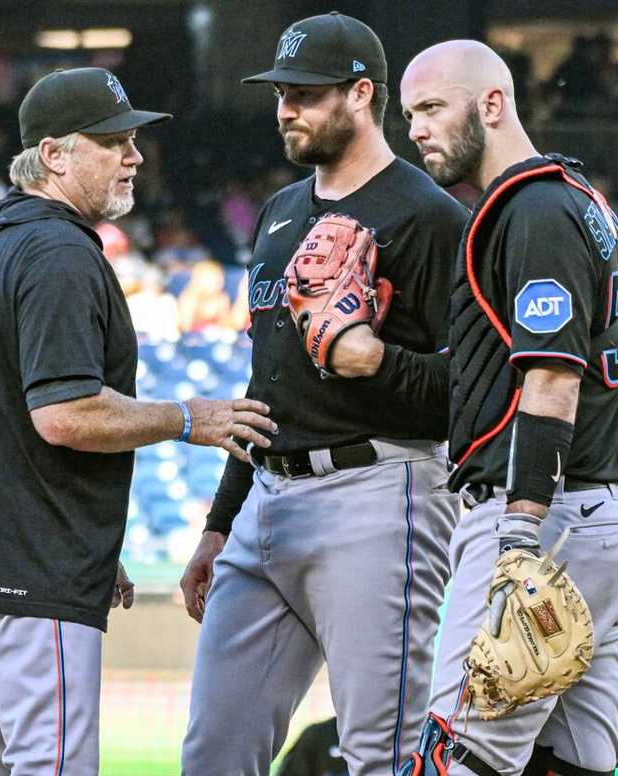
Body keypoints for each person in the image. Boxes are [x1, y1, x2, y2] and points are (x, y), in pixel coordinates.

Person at [0, 68, 275, 776]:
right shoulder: (57, 251)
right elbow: (64, 416)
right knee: (52, 766)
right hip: (24, 570)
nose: (134, 156)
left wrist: (86, 539)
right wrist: (189, 418)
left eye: (132, 141)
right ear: (55, 155)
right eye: (113, 141)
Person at [179, 13, 469, 775]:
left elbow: (474, 389)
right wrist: (220, 521)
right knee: (214, 750)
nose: (285, 109)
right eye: (281, 92)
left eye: (306, 94)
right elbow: (265, 381)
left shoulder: (432, 217)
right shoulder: (278, 215)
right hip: (267, 500)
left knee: (380, 756)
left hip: (379, 493)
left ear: (363, 94)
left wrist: (374, 361)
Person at [399, 40, 618, 775]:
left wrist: (518, 535)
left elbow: (551, 380)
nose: (415, 129)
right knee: (570, 765)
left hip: (545, 517)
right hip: (595, 513)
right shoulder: (580, 199)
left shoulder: (533, 208)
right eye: (409, 113)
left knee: (456, 761)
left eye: (432, 108)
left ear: (493, 104)